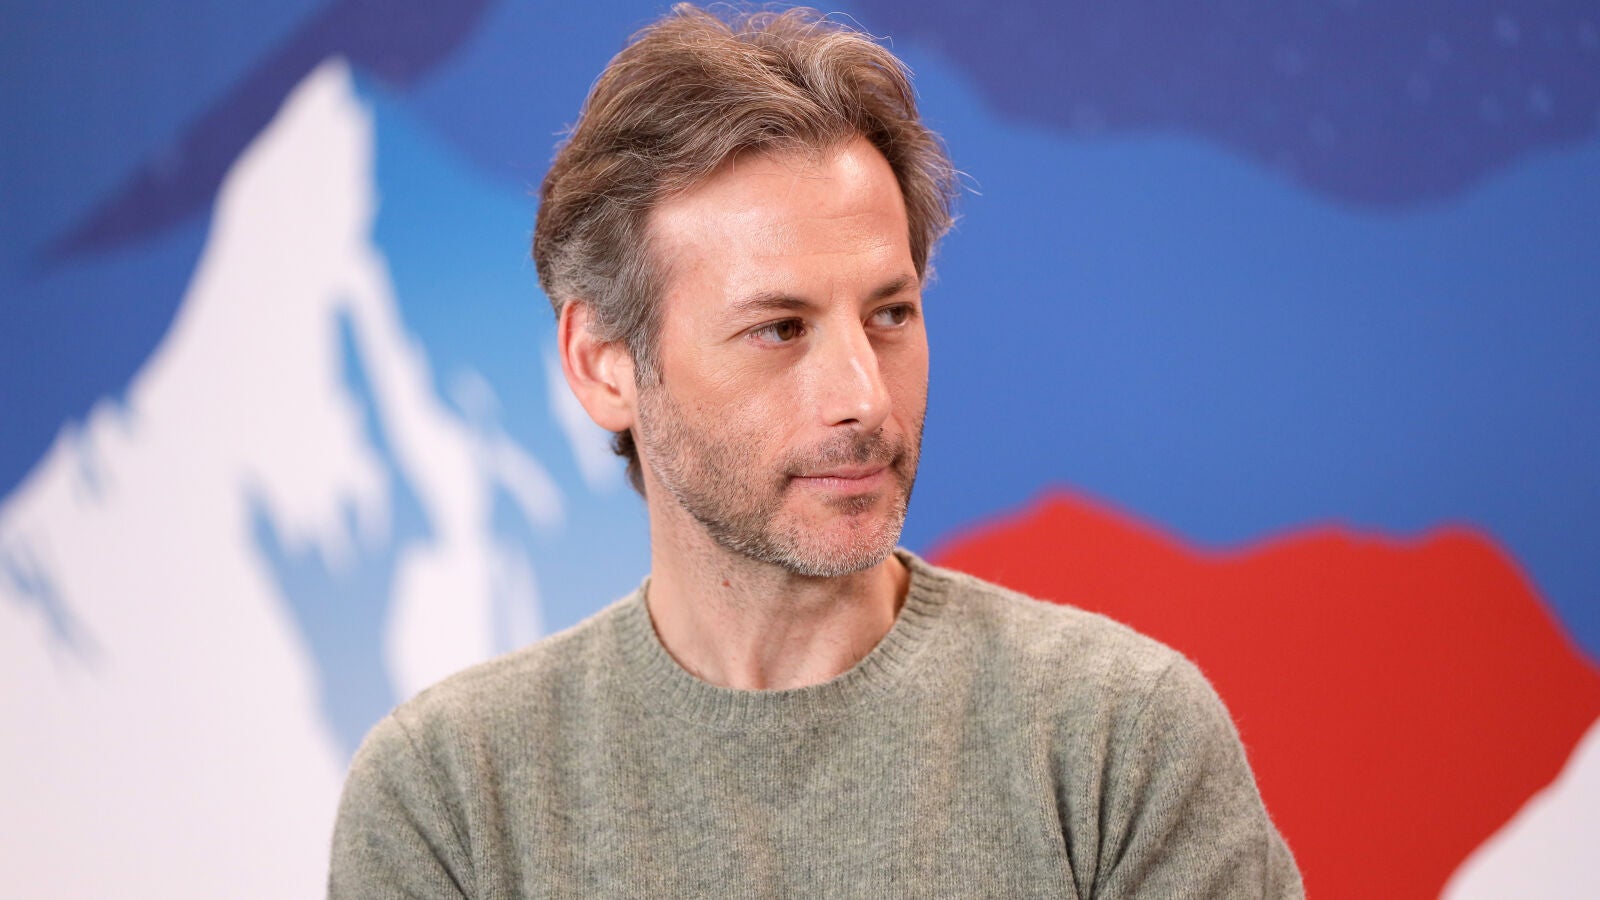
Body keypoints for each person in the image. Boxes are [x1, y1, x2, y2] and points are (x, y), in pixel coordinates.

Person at [328, 5, 1303, 897]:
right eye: (779, 329)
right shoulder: (450, 797)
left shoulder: (1120, 745)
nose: (863, 398)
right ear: (602, 364)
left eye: (890, 314)